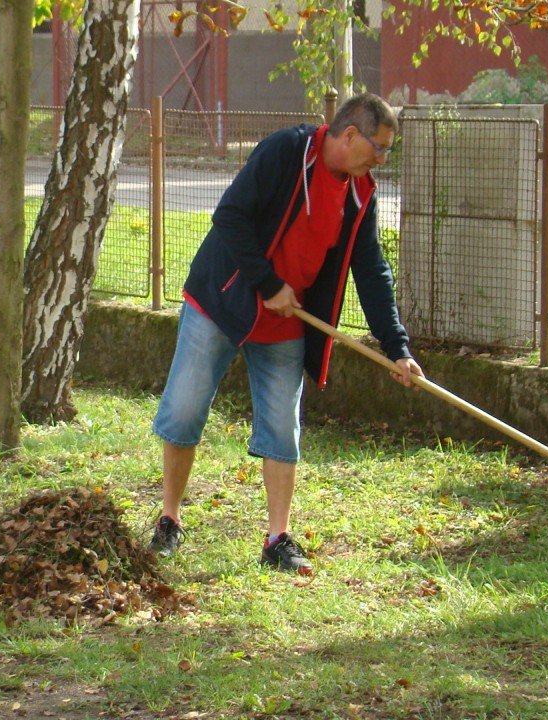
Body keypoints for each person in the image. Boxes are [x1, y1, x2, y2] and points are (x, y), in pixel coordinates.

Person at [148, 93, 424, 575]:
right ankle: (169, 520)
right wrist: (268, 282)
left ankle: (277, 538)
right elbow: (230, 216)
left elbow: (372, 271)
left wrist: (397, 348)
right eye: (380, 148)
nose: (382, 159)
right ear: (351, 135)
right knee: (185, 408)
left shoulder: (360, 195)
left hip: (286, 320)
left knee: (281, 427)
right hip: (222, 300)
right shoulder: (287, 151)